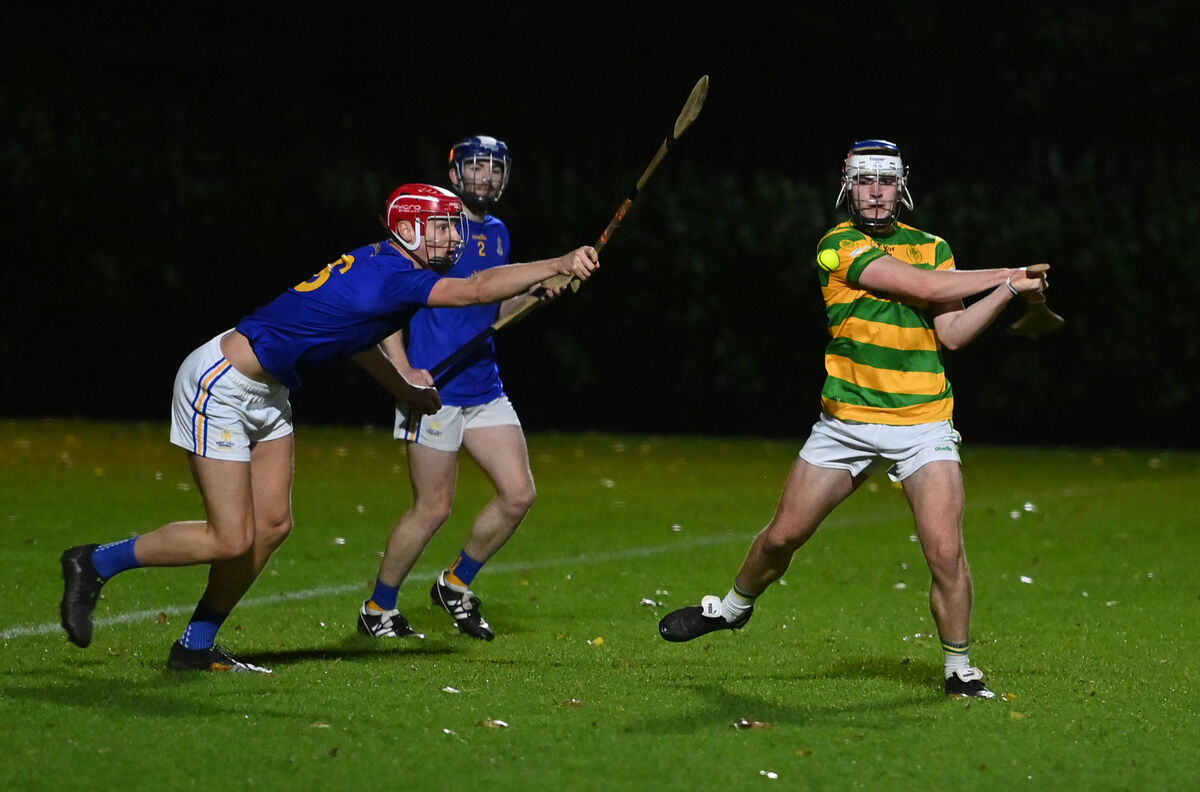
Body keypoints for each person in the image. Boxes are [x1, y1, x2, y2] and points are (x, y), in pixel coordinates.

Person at [59, 183, 598, 673]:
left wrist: (403, 386)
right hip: (220, 385)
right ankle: (95, 561)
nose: (452, 236)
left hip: (270, 392)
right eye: (442, 226)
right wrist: (559, 262)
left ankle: (195, 646)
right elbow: (476, 288)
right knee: (230, 537)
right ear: (408, 229)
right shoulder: (393, 274)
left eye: (455, 225)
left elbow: (359, 338)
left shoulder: (387, 268)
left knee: (272, 528)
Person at [657, 139, 1050, 699]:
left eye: (884, 181)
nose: (874, 192)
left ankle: (958, 669)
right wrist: (1008, 271)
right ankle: (734, 607)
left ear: (900, 185)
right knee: (783, 536)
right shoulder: (837, 245)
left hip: (924, 422)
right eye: (864, 181)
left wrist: (1010, 291)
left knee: (945, 550)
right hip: (848, 421)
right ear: (848, 185)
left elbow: (954, 333)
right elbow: (924, 288)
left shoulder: (933, 246)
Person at [357, 136, 550, 641]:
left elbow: (491, 311)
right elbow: (389, 303)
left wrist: (534, 293)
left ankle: (455, 582)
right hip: (434, 390)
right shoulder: (431, 228)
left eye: (495, 168)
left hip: (484, 384)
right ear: (455, 172)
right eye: (476, 167)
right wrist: (402, 369)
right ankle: (378, 607)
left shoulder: (500, 232)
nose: (486, 176)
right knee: (433, 508)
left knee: (518, 494)